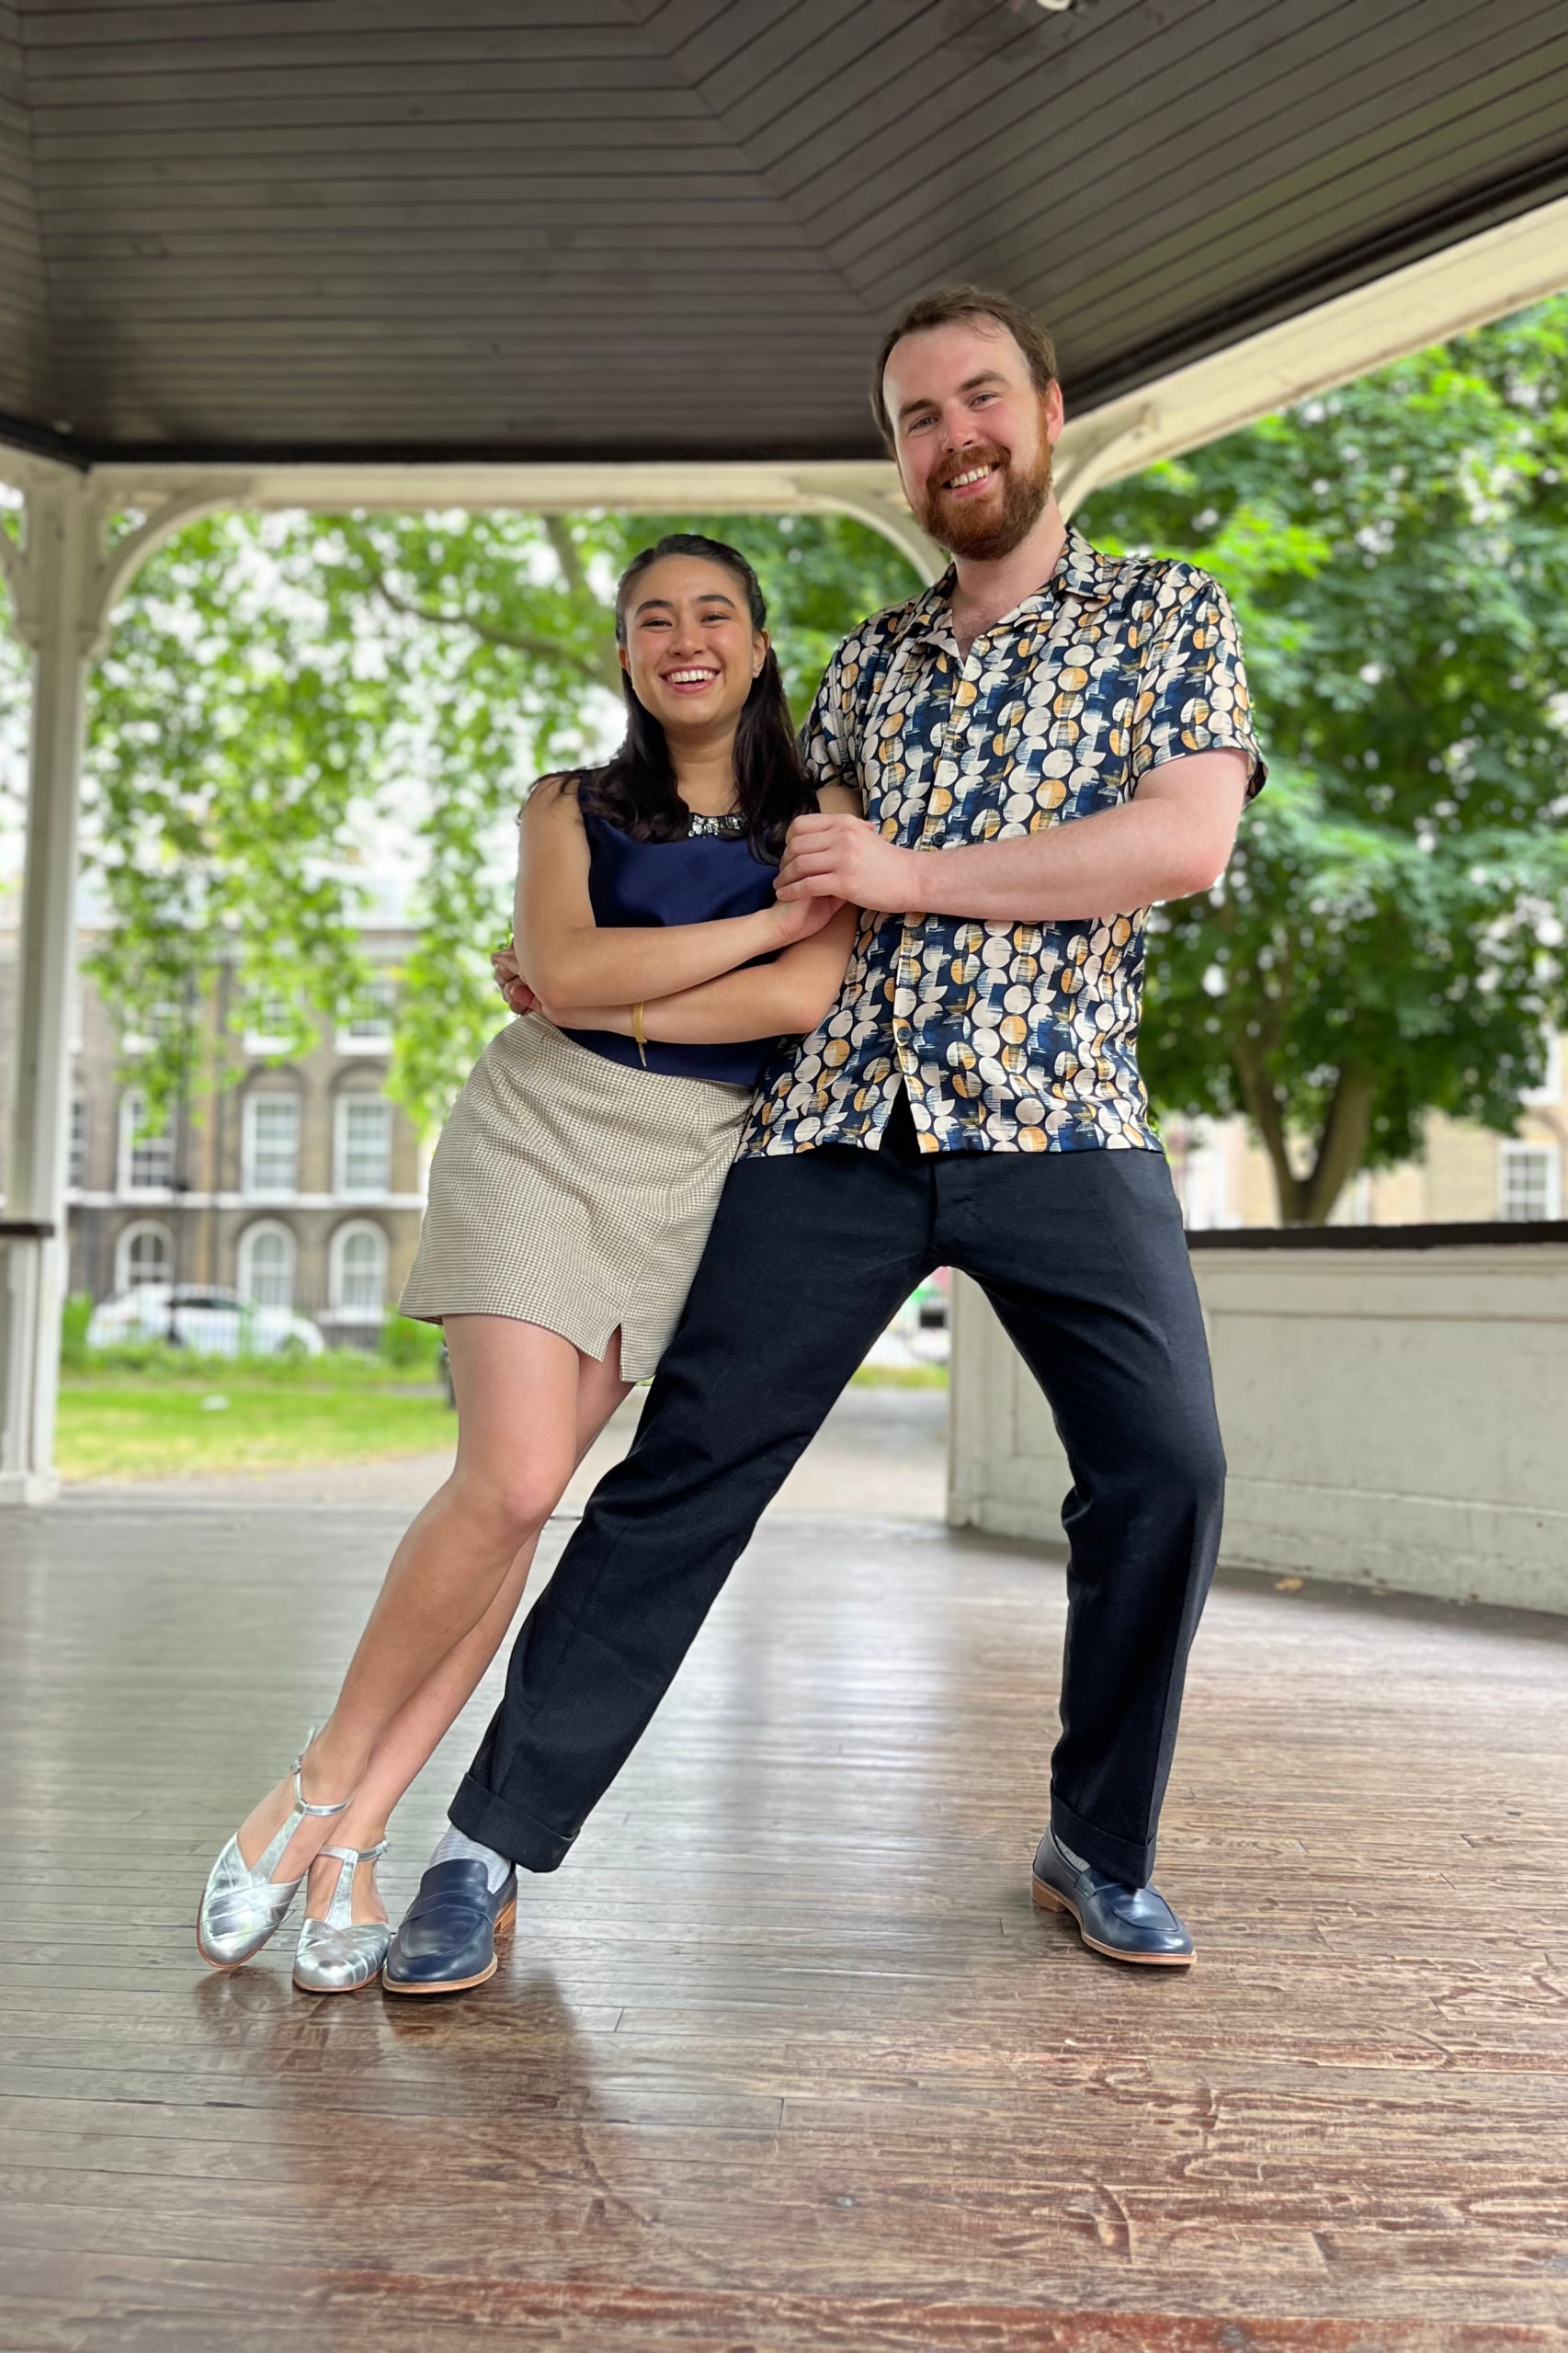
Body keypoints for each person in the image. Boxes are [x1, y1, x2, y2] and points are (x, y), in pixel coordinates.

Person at [388, 284, 1267, 1995]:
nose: (956, 437)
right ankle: (484, 1846)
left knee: (1169, 1470)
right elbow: (749, 874)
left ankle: (1099, 1843)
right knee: (677, 1485)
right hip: (832, 1130)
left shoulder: (1167, 615)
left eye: (979, 399)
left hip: (1057, 1112)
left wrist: (912, 875)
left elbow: (1175, 846)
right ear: (897, 456)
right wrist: (581, 983)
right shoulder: (857, 668)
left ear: (1046, 408)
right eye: (920, 418)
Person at [197, 533, 858, 1994]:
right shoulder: (566, 805)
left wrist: (616, 993)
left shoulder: (824, 811)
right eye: (649, 620)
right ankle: (312, 1788)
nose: (682, 638)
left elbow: (809, 997)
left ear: (755, 647)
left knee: (529, 1505)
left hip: (686, 1174)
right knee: (502, 1482)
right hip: (536, 1135)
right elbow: (563, 975)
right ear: (624, 654)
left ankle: (363, 1831)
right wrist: (729, 945)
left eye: (713, 616)